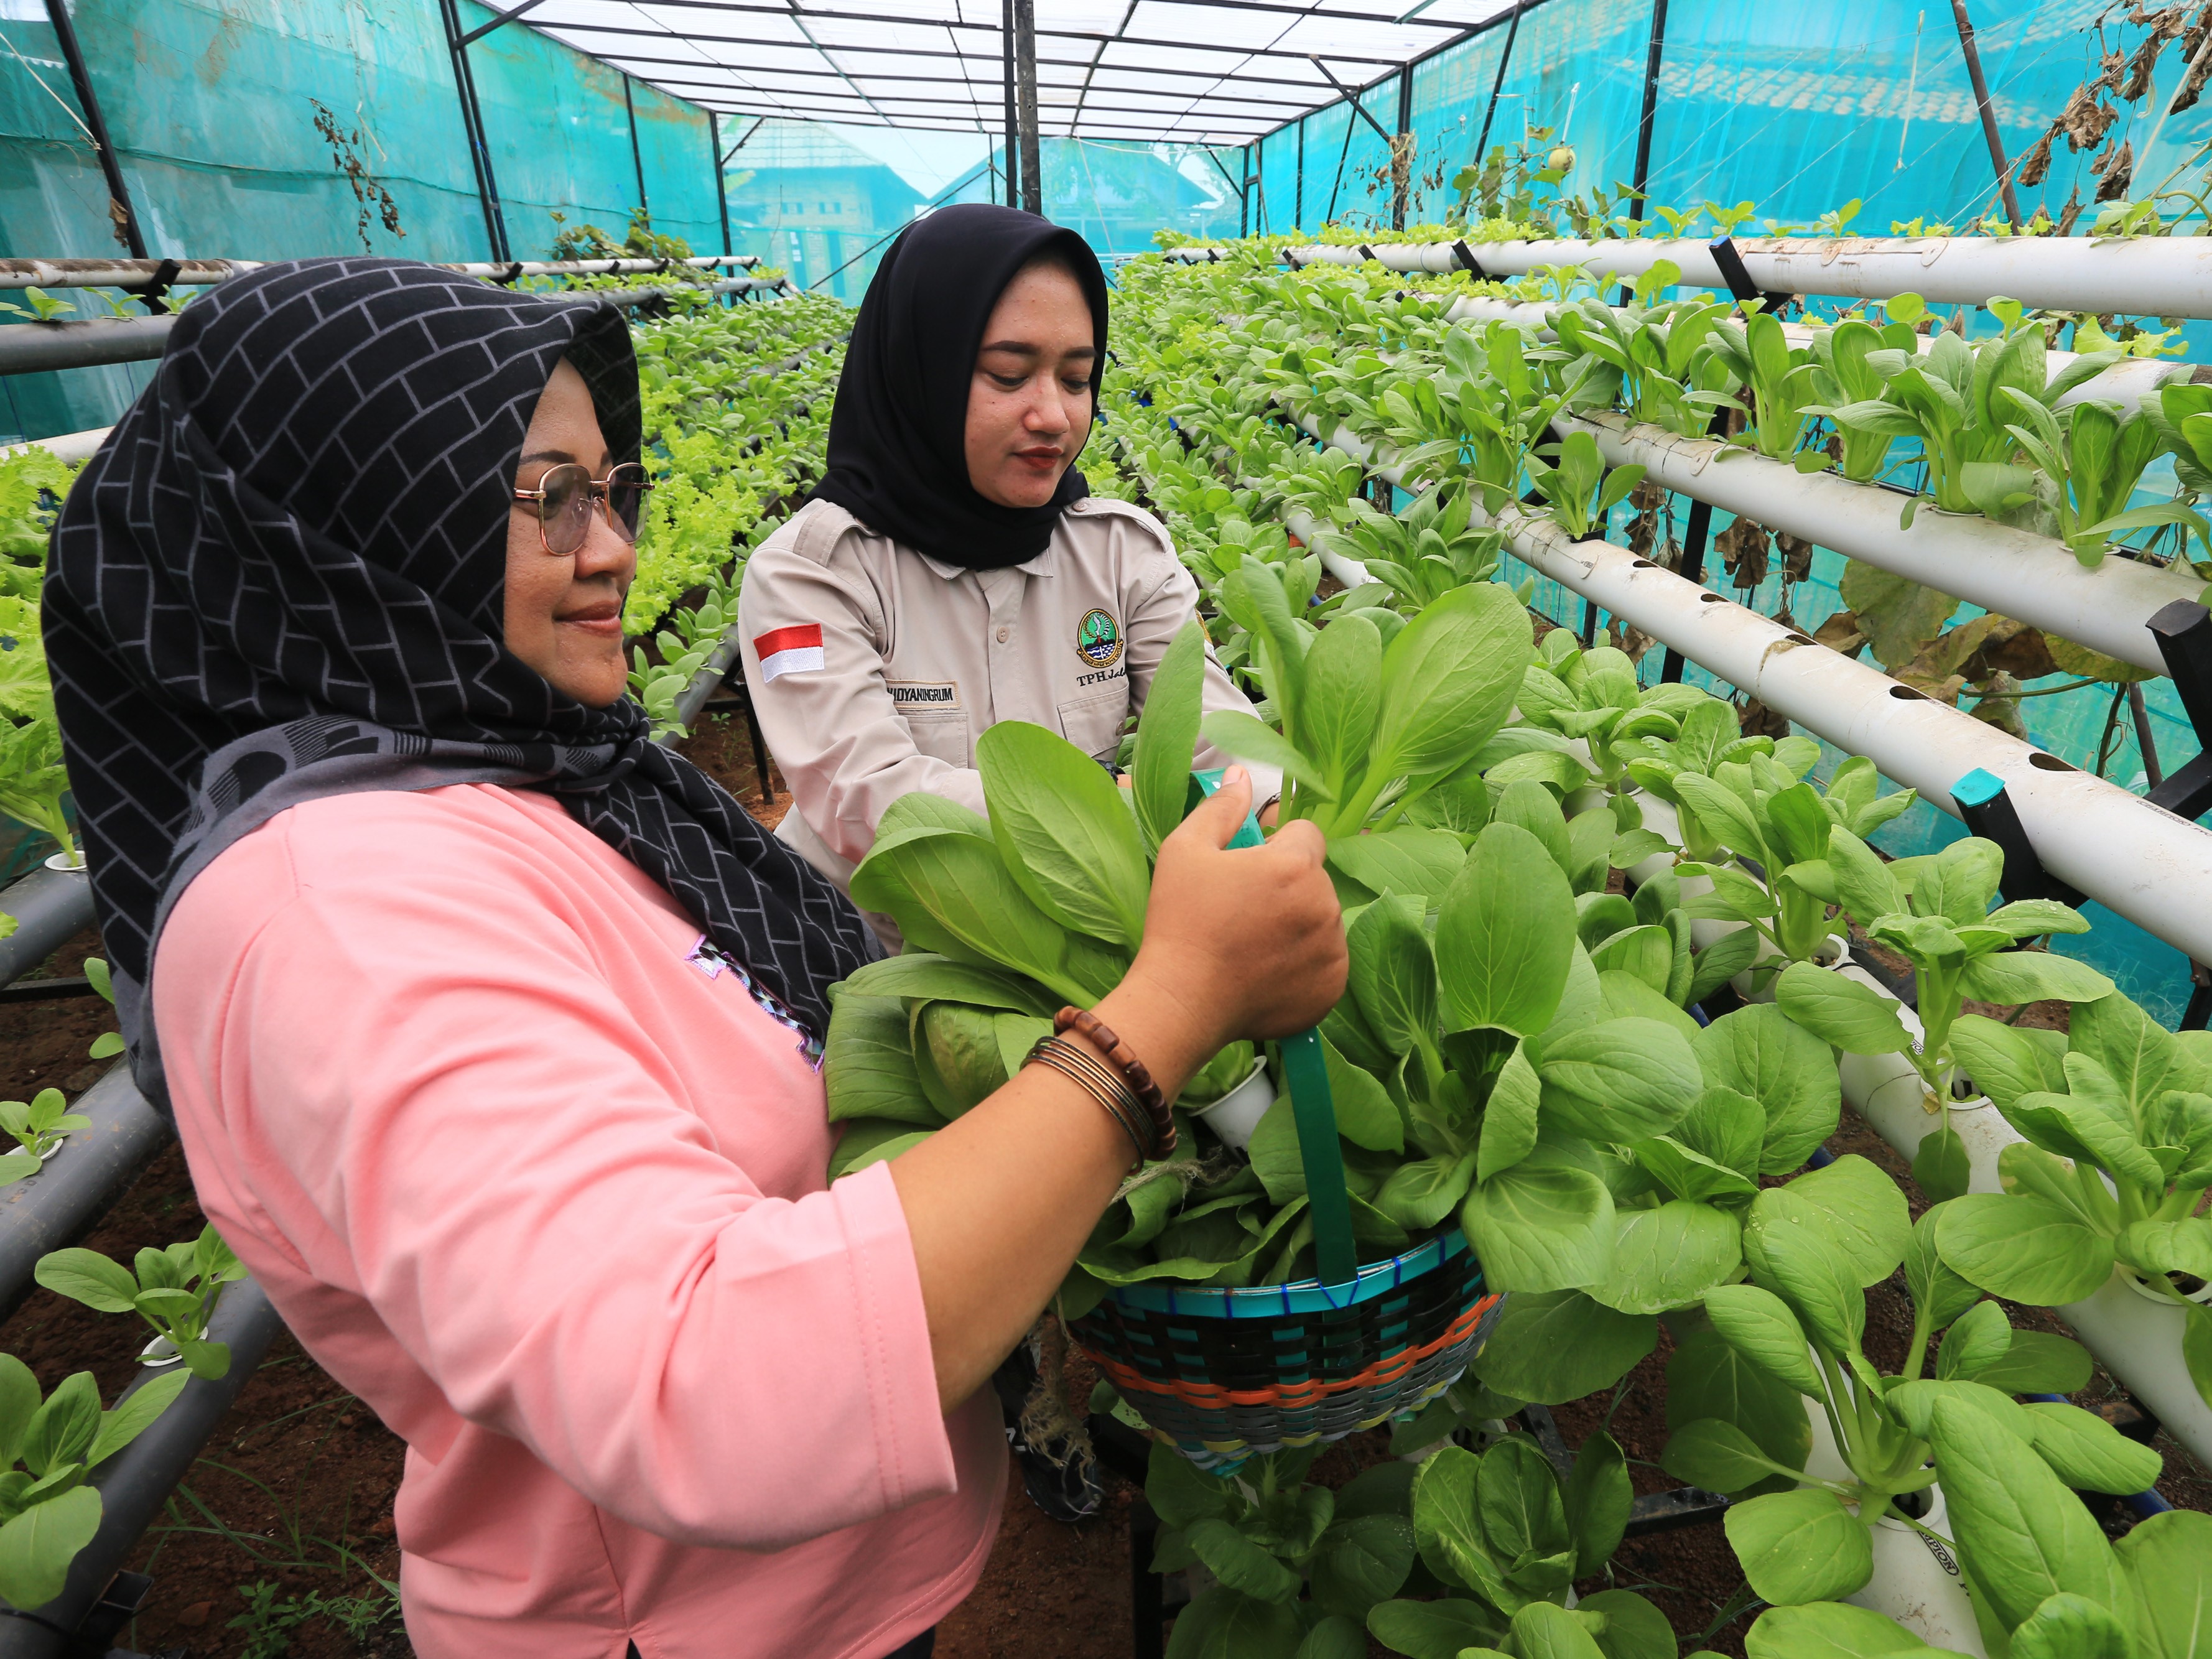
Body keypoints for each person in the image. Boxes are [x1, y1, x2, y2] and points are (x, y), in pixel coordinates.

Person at [45, 258, 1345, 1659]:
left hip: (829, 1588)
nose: (610, 548)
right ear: (346, 515)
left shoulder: (541, 774)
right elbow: (707, 1385)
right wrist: (1166, 1002)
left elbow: (1213, 730)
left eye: (613, 492)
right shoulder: (334, 915)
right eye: (545, 495)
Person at [738, 204, 1281, 927]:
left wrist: (1267, 803)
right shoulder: (812, 576)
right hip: (875, 962)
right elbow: (866, 800)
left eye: (1077, 378)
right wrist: (1113, 811)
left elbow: (1220, 730)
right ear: (917, 372)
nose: (1053, 415)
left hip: (1085, 935)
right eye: (1007, 374)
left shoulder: (1121, 552)